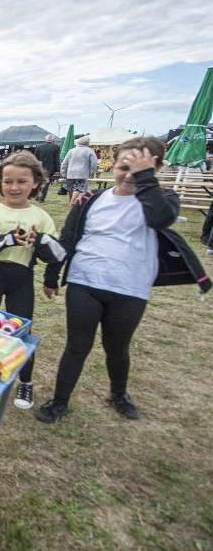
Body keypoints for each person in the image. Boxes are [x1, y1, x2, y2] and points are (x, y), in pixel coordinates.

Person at [37, 137, 211, 423]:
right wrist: (51, 276)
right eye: (124, 167)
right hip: (85, 282)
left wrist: (146, 181)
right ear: (113, 166)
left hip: (130, 288)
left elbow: (159, 220)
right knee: (77, 345)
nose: (130, 176)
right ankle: (59, 401)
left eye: (141, 170)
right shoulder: (90, 200)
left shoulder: (163, 199)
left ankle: (118, 393)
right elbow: (66, 241)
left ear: (155, 170)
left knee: (116, 347)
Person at [0, 151, 65, 409]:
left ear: (36, 183)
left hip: (22, 281)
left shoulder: (40, 217)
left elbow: (58, 253)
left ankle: (26, 382)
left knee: (22, 334)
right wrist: (8, 239)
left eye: (22, 181)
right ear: (0, 182)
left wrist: (40, 240)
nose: (14, 187)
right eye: (8, 181)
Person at [60, 136, 98, 207]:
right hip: (82, 173)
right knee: (78, 188)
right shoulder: (89, 151)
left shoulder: (71, 150)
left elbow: (64, 162)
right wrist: (91, 172)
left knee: (71, 188)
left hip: (70, 173)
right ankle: (72, 202)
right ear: (88, 143)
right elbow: (94, 163)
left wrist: (63, 172)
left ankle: (70, 200)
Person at [34, 134, 61, 202]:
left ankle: (37, 196)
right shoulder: (56, 147)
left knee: (39, 182)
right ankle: (41, 198)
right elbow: (56, 159)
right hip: (50, 168)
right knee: (46, 183)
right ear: (53, 140)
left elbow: (35, 158)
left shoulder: (39, 147)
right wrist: (58, 170)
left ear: (45, 139)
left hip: (39, 167)